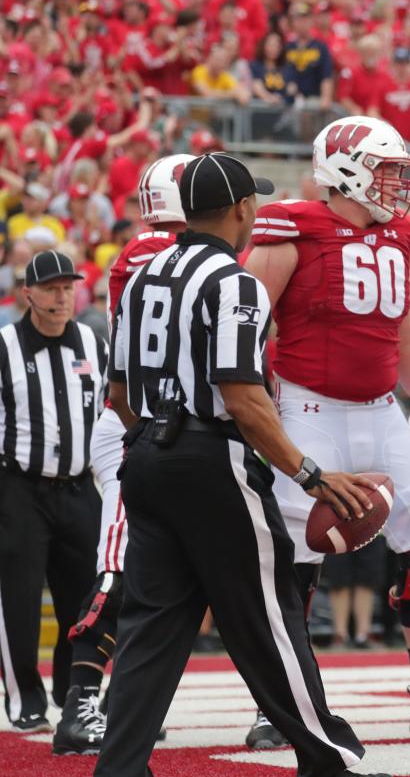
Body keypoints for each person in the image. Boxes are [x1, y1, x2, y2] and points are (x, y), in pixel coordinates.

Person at [97, 153, 388, 777]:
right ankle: (329, 759)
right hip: (210, 457)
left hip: (144, 454)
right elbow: (244, 397)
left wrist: (157, 442)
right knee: (270, 615)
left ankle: (118, 767)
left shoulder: (143, 275)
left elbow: (117, 394)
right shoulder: (234, 282)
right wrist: (310, 473)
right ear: (242, 209)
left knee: (151, 625)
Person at [243, 116, 410, 742]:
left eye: (400, 171)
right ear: (345, 169)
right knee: (298, 554)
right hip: (308, 409)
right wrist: (256, 407)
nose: (398, 183)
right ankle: (281, 701)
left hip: (379, 410)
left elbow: (400, 335)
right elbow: (245, 328)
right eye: (388, 169)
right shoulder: (293, 227)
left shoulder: (398, 236)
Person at [51, 154, 194, 755]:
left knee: (164, 576)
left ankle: (121, 700)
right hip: (136, 425)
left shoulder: (165, 251)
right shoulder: (150, 252)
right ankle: (80, 705)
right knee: (119, 566)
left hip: (165, 427)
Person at [0, 249, 106, 734]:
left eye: (69, 287)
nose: (62, 297)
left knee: (84, 601)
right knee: (18, 600)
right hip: (20, 488)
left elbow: (109, 411)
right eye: (51, 289)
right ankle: (25, 700)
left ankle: (77, 697)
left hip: (81, 488)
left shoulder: (92, 340)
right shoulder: (4, 346)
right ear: (28, 294)